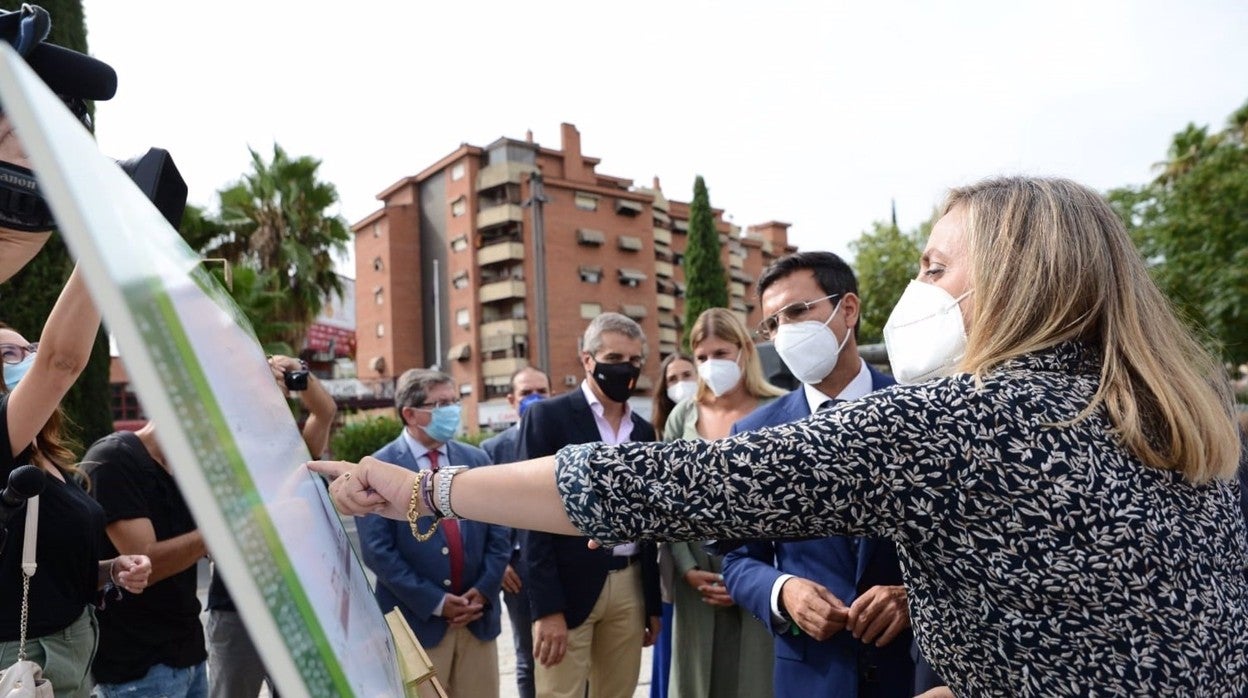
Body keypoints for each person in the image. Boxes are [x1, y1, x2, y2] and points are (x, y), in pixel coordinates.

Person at [312, 176, 1248, 697]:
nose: (914, 289)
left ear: (1016, 280)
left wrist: (424, 489)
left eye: (932, 265)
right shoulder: (1182, 418)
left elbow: (659, 487)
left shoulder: (961, 421)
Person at [720, 251, 917, 698]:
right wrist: (782, 590)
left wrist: (912, 596)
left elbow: (965, 547)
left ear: (847, 309)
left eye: (797, 312)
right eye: (773, 324)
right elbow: (737, 559)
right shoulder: (754, 433)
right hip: (810, 674)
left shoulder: (917, 411)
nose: (785, 332)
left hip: (911, 670)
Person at [0, 274, 151, 698]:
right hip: (25, 662)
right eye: (9, 353)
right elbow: (60, 362)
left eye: (29, 348)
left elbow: (49, 567)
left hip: (72, 654)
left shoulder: (49, 457)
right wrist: (94, 245)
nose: (28, 358)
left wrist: (110, 571)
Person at [517, 313, 661, 698]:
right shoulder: (547, 418)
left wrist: (652, 602)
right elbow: (530, 515)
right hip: (567, 589)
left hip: (630, 584)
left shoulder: (644, 432)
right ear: (587, 360)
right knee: (559, 692)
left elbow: (648, 520)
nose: (625, 369)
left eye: (633, 360)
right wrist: (546, 609)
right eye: (614, 357)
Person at [356, 368, 510, 698]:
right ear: (410, 413)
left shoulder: (476, 459)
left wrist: (483, 590)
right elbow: (377, 551)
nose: (452, 410)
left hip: (477, 620)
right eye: (440, 404)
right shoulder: (378, 467)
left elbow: (500, 530)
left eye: (455, 401)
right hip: (417, 623)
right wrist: (437, 602)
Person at [662, 308, 783, 698]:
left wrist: (755, 576)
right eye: (701, 357)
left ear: (745, 350)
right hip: (698, 570)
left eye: (721, 353)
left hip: (763, 562)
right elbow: (666, 496)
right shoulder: (683, 416)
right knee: (698, 678)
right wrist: (686, 567)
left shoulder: (781, 408)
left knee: (756, 675)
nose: (710, 364)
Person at [205, 354, 337, 698]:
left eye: (276, 387)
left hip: (300, 600)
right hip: (240, 605)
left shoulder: (295, 447)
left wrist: (298, 372)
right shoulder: (221, 448)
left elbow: (325, 411)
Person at [480, 366, 551, 698]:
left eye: (541, 391)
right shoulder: (494, 448)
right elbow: (482, 511)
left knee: (572, 652)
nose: (534, 398)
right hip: (517, 572)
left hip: (562, 565)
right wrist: (501, 563)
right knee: (528, 657)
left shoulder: (565, 439)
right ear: (511, 400)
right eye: (526, 392)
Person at [647, 352, 694, 698]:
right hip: (671, 565)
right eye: (672, 379)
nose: (680, 385)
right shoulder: (653, 432)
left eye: (686, 375)